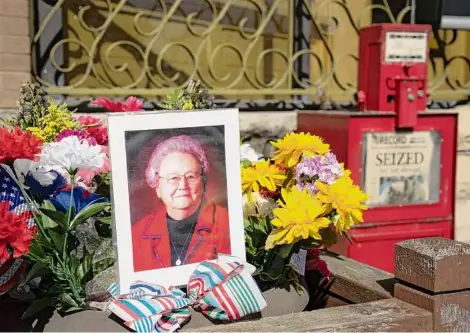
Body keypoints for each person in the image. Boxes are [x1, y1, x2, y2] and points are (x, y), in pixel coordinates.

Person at [131, 135, 231, 272]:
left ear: (203, 182)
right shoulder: (138, 234)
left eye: (191, 176)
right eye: (173, 178)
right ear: (157, 187)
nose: (183, 185)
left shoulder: (226, 224)